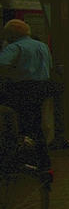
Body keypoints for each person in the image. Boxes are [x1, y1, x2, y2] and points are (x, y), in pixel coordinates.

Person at [0, 19, 53, 169]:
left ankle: (18, 157)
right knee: (36, 123)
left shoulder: (15, 47)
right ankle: (43, 159)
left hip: (22, 89)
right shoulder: (42, 46)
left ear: (10, 35)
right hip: (43, 88)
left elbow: (2, 64)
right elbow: (50, 65)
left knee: (21, 122)